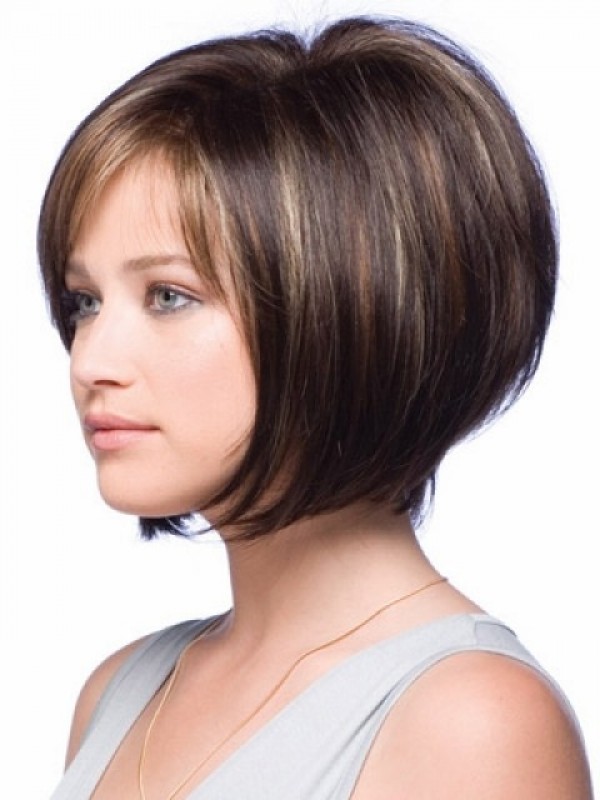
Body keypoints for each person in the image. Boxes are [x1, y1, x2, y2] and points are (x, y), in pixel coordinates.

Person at [39, 16, 592, 800]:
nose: (89, 361)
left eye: (168, 296)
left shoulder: (469, 724)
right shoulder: (118, 693)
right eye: (85, 301)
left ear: (349, 309)